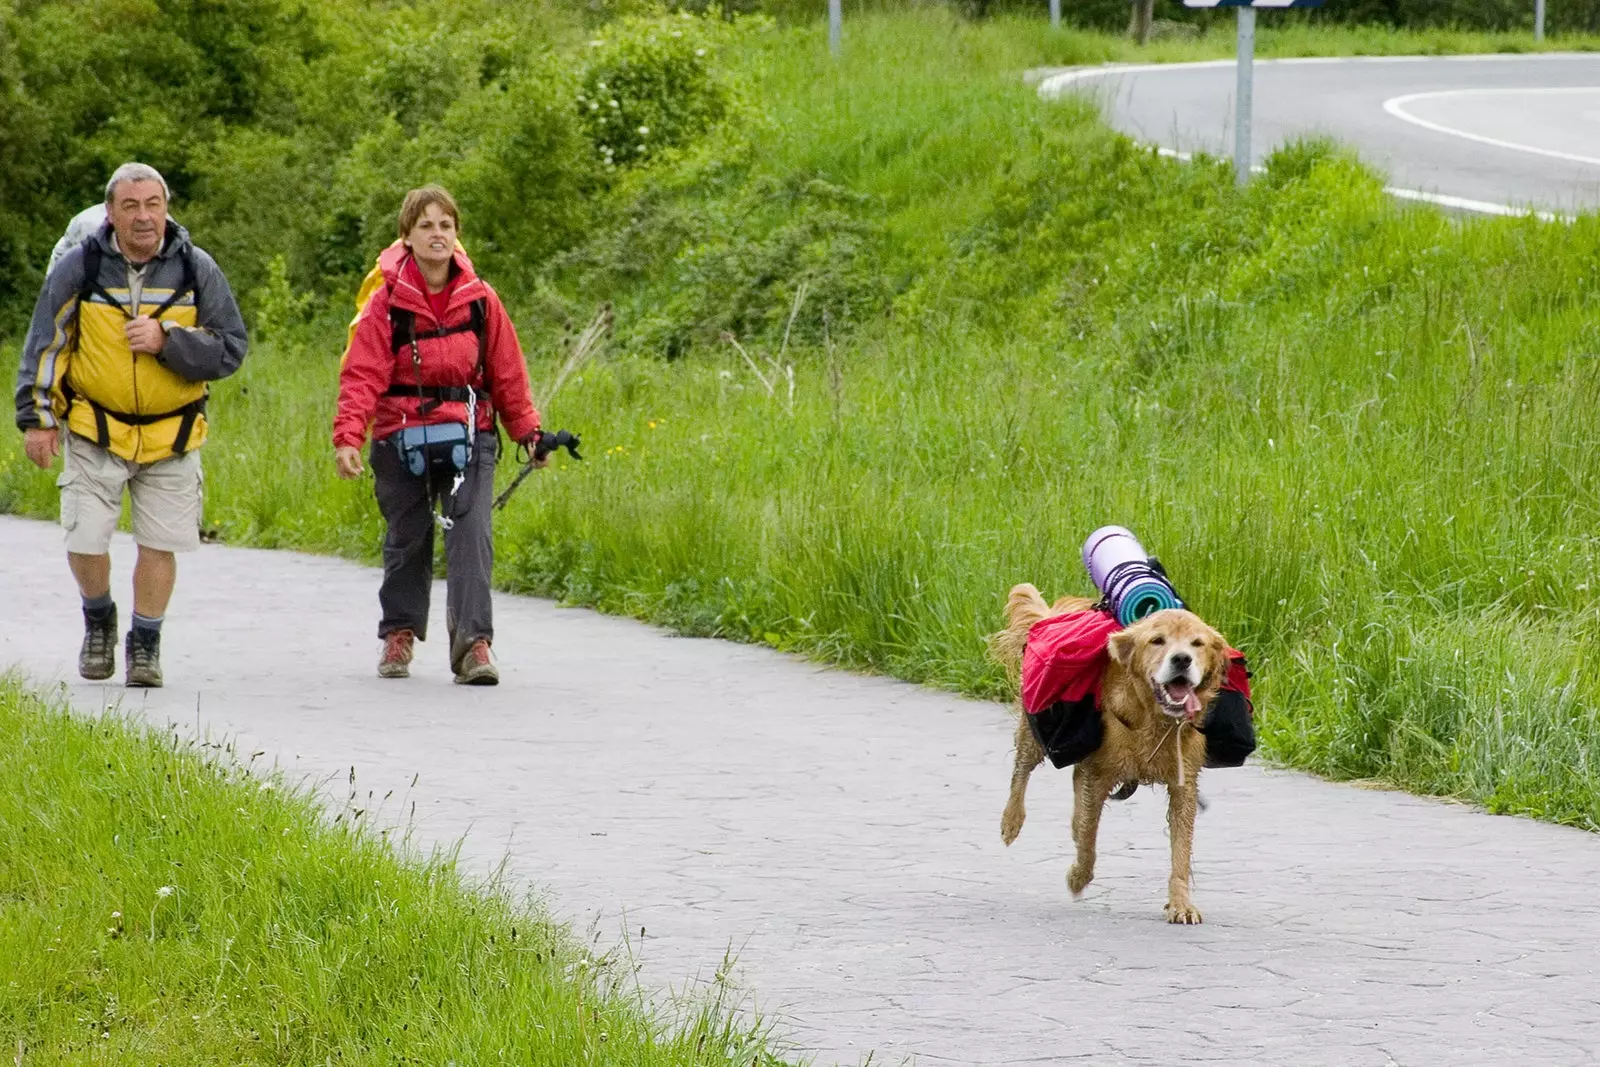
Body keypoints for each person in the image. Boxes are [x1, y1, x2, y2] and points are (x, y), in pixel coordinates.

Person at [14, 162, 249, 688]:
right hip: (94, 427)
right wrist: (38, 418)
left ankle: (145, 643)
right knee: (85, 539)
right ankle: (98, 617)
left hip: (173, 432)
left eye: (153, 205)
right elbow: (46, 343)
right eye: (130, 206)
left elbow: (231, 349)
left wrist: (170, 342)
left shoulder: (196, 268)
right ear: (111, 213)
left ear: (166, 208)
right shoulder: (82, 267)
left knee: (158, 543)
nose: (144, 217)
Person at [333, 185, 543, 685]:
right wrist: (348, 437)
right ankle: (399, 634)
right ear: (406, 236)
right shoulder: (385, 304)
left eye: (445, 225)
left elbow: (508, 373)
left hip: (471, 435)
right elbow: (362, 374)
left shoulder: (481, 301)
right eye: (425, 225)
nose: (437, 234)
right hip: (399, 434)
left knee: (472, 534)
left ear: (457, 235)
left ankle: (475, 647)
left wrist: (529, 432)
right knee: (408, 536)